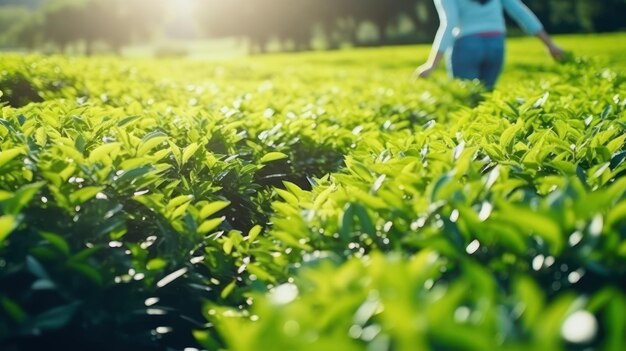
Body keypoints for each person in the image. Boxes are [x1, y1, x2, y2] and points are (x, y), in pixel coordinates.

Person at [415, 0, 565, 89]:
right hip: (496, 45)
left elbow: (449, 23)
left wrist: (431, 64)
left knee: (467, 101)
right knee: (486, 98)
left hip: (466, 47)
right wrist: (549, 44)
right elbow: (521, 13)